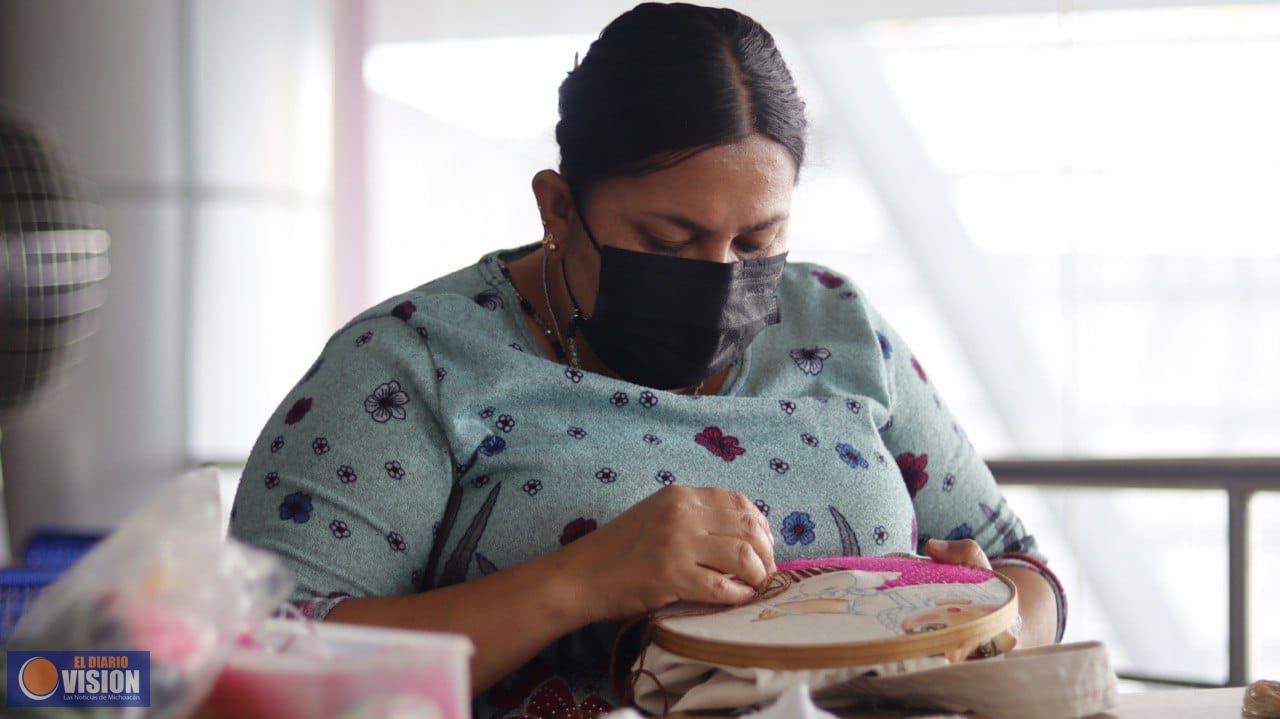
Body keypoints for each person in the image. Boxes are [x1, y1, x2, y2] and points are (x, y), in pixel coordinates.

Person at [228, 3, 1066, 716]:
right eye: (670, 239)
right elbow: (260, 661)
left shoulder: (837, 323)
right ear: (559, 207)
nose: (720, 276)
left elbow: (1026, 570)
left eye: (758, 238)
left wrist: (983, 621)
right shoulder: (416, 363)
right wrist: (581, 580)